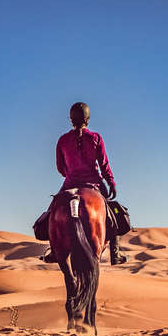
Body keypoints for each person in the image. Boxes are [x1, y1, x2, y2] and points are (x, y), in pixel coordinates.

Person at [47, 102, 127, 265]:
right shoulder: (95, 138)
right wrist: (111, 182)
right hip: (94, 184)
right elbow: (104, 164)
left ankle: (54, 251)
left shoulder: (63, 140)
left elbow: (60, 167)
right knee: (113, 214)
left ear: (71, 119)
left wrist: (70, 174)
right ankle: (116, 253)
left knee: (51, 212)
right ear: (88, 118)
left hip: (70, 184)